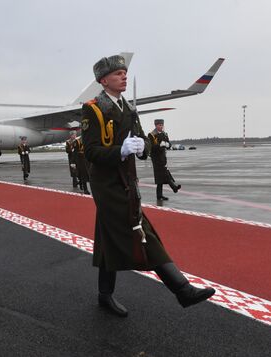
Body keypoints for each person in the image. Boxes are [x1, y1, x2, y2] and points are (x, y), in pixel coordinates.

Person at [81, 54, 215, 317]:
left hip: (128, 181)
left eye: (124, 72)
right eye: (118, 73)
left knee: (108, 237)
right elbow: (91, 151)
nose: (124, 76)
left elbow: (143, 141)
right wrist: (121, 150)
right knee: (142, 232)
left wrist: (143, 146)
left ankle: (104, 295)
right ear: (103, 80)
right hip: (107, 185)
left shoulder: (128, 109)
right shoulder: (93, 108)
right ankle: (183, 290)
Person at [148, 119, 181, 201]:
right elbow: (151, 147)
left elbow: (169, 144)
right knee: (164, 173)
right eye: (159, 125)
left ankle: (159, 196)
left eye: (162, 125)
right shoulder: (151, 135)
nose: (161, 126)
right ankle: (174, 187)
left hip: (163, 157)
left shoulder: (164, 134)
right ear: (156, 125)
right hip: (156, 158)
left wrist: (168, 145)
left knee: (160, 177)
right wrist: (159, 145)